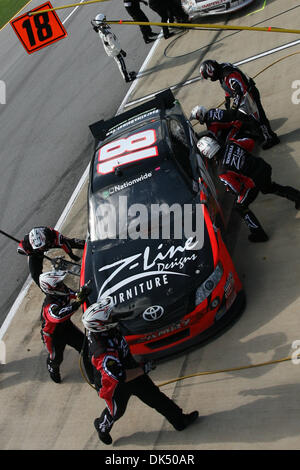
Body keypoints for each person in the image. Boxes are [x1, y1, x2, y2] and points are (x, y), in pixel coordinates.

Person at [81, 300, 199, 445]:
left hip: (130, 369)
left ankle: (180, 421)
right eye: (109, 316)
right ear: (101, 325)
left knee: (156, 397)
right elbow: (121, 377)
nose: (113, 316)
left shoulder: (103, 328)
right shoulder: (103, 353)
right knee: (116, 412)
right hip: (115, 385)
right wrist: (144, 369)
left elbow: (119, 314)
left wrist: (141, 309)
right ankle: (101, 426)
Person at [197, 134, 300, 242]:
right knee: (270, 187)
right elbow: (250, 142)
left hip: (254, 181)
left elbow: (236, 189)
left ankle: (259, 234)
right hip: (263, 167)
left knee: (240, 206)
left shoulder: (222, 171)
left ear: (206, 154)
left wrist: (231, 187)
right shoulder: (231, 143)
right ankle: (297, 196)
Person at [199, 60, 280, 150]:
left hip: (249, 95)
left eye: (208, 76)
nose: (209, 79)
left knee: (259, 118)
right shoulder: (222, 72)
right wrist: (227, 101)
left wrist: (233, 108)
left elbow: (239, 92)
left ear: (211, 71)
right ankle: (261, 135)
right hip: (245, 97)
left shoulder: (228, 75)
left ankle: (271, 138)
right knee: (247, 118)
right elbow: (228, 87)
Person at [39, 270, 93, 384]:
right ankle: (52, 368)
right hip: (53, 336)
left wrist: (83, 292)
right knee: (56, 358)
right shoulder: (49, 305)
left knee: (86, 348)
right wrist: (77, 303)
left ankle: (92, 378)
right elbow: (58, 316)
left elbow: (75, 294)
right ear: (51, 289)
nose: (62, 286)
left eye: (61, 283)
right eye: (58, 284)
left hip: (67, 328)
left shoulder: (63, 290)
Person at [17, 226, 85, 286]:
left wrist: (71, 255)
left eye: (42, 247)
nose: (41, 249)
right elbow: (19, 249)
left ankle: (88, 243)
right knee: (35, 275)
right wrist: (30, 253)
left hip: (49, 243)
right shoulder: (26, 245)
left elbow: (64, 244)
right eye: (39, 248)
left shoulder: (52, 235)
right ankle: (48, 292)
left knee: (71, 242)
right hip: (34, 253)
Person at [92, 13, 136, 83]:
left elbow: (100, 30)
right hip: (114, 50)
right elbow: (113, 44)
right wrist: (121, 51)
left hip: (110, 49)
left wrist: (97, 29)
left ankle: (128, 73)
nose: (106, 20)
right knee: (121, 63)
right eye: (104, 19)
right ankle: (126, 78)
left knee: (121, 63)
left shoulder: (101, 28)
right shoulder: (107, 34)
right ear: (102, 22)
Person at [190, 105, 260, 144]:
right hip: (236, 117)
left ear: (201, 116)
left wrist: (199, 137)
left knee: (227, 142)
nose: (199, 120)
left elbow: (213, 137)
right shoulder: (212, 110)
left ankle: (253, 138)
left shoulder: (211, 124)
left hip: (236, 124)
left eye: (198, 119)